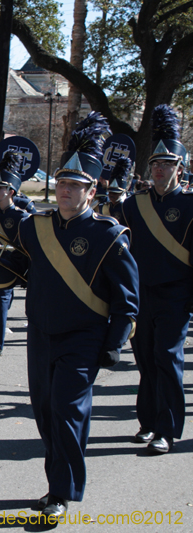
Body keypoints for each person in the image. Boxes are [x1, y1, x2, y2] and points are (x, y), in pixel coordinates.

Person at [15, 112, 138, 518]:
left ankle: (60, 493)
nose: (65, 191)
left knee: (67, 410)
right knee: (45, 411)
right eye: (62, 184)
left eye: (74, 186)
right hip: (40, 334)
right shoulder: (35, 227)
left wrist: (115, 343)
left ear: (91, 191)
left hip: (84, 337)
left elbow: (127, 299)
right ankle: (59, 481)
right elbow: (21, 266)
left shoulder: (109, 235)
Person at [122, 104, 191, 455]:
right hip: (141, 296)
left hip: (176, 295)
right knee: (146, 360)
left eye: (167, 164)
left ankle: (167, 429)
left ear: (180, 168)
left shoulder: (190, 204)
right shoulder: (134, 205)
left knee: (167, 358)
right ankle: (147, 422)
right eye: (155, 164)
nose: (160, 169)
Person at [0, 150, 30, 361]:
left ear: (11, 192)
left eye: (1, 188)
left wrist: (22, 270)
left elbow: (26, 246)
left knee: (0, 307)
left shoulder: (21, 216)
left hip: (8, 268)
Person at [95, 155, 131, 226]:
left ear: (122, 193)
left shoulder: (127, 209)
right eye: (110, 192)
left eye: (115, 193)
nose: (111, 195)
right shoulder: (102, 206)